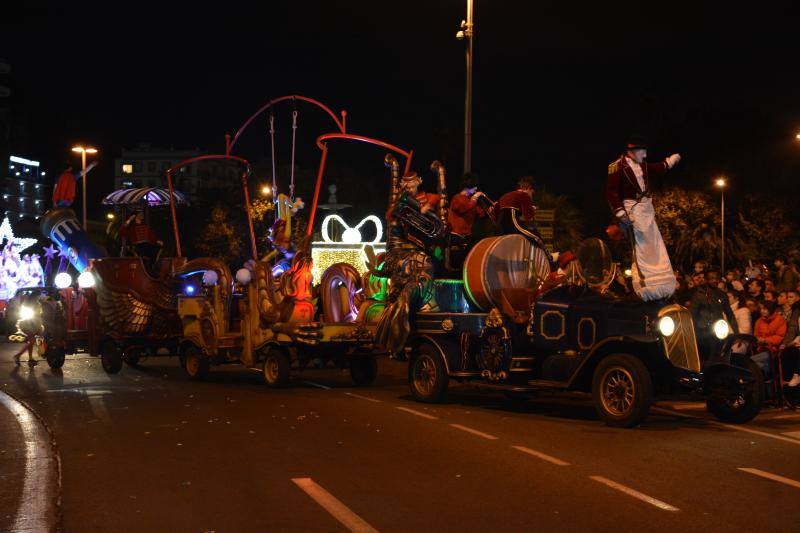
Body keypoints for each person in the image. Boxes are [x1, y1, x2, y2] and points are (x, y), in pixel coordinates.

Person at [606, 137, 681, 301]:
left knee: (655, 243)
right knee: (642, 245)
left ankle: (660, 276)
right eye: (642, 152)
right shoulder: (617, 167)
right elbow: (611, 192)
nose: (645, 155)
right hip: (633, 209)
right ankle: (646, 280)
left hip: (647, 209)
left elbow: (659, 167)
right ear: (632, 153)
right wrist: (620, 212)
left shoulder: (642, 165)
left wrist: (671, 162)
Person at [496, 175, 545, 247]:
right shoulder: (523, 195)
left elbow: (495, 212)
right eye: (532, 193)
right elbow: (528, 216)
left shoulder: (505, 195)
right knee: (536, 237)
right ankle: (549, 257)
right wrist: (533, 209)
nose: (531, 196)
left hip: (500, 228)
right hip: (512, 225)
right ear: (528, 189)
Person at [751, 300, 787, 375]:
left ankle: (765, 376)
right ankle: (764, 377)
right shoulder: (759, 321)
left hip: (774, 350)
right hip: (761, 349)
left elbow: (779, 336)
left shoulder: (779, 320)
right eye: (761, 309)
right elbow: (756, 336)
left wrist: (765, 340)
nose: (762, 311)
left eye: (764, 309)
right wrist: (757, 341)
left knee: (752, 362)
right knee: (754, 364)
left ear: (771, 309)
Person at [447, 173, 486, 238]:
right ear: (467, 188)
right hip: (456, 235)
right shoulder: (457, 198)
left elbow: (480, 214)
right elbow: (463, 208)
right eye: (474, 188)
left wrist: (490, 209)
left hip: (467, 235)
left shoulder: (470, 200)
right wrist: (475, 197)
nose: (475, 190)